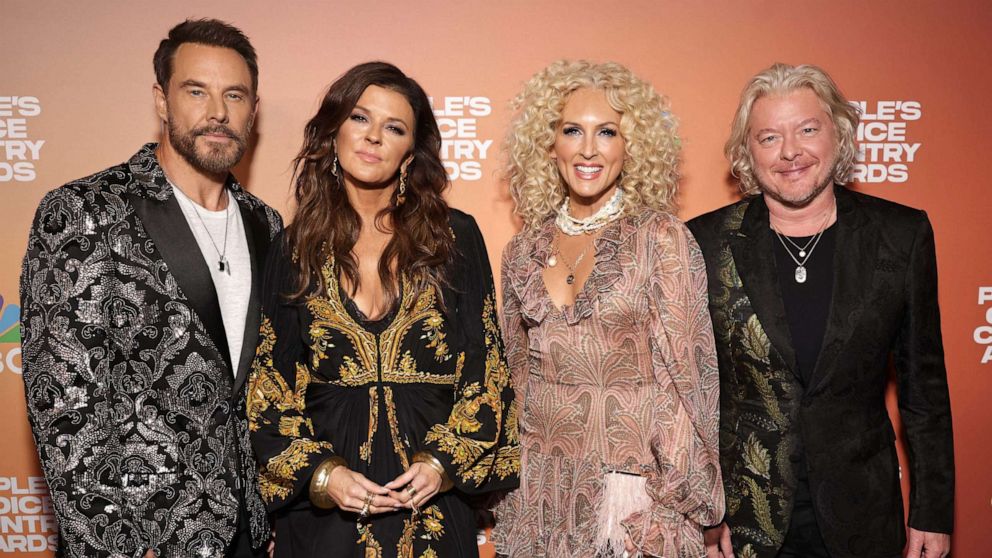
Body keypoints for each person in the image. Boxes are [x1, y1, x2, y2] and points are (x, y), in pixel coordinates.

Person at [20, 19, 279, 558]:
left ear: (253, 110)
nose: (218, 112)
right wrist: (117, 544)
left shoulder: (268, 226)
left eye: (235, 95)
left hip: (248, 536)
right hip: (142, 541)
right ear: (162, 101)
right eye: (196, 91)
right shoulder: (87, 212)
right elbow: (62, 404)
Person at [246, 61, 518, 558]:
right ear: (333, 133)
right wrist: (323, 476)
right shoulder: (293, 249)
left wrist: (441, 463)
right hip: (325, 519)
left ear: (410, 153)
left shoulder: (454, 238)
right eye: (360, 119)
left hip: (431, 505)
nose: (373, 137)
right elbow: (270, 384)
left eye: (393, 128)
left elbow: (486, 367)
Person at [689, 63, 953, 558]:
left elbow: (925, 390)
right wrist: (704, 512)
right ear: (748, 153)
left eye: (808, 129)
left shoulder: (900, 235)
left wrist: (932, 512)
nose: (790, 151)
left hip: (864, 510)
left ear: (840, 133)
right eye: (769, 137)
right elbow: (689, 394)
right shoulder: (701, 242)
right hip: (743, 519)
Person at [492, 60, 724, 558]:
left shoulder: (660, 239)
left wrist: (673, 497)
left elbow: (688, 376)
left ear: (631, 146)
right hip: (541, 492)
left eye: (608, 132)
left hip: (632, 494)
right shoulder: (522, 250)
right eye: (572, 130)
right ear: (548, 142)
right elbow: (512, 374)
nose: (589, 149)